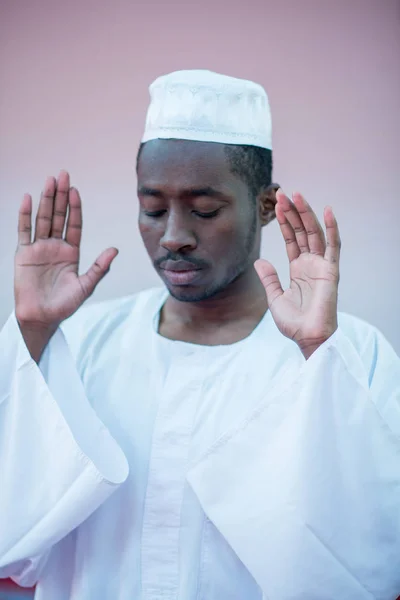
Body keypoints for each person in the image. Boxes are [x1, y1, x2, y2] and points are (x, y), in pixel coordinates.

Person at [0, 69, 399, 600]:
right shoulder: (79, 341)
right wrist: (31, 332)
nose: (174, 236)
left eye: (204, 210)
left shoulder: (348, 351)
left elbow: (373, 554)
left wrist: (317, 355)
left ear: (265, 204)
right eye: (153, 208)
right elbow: (17, 541)